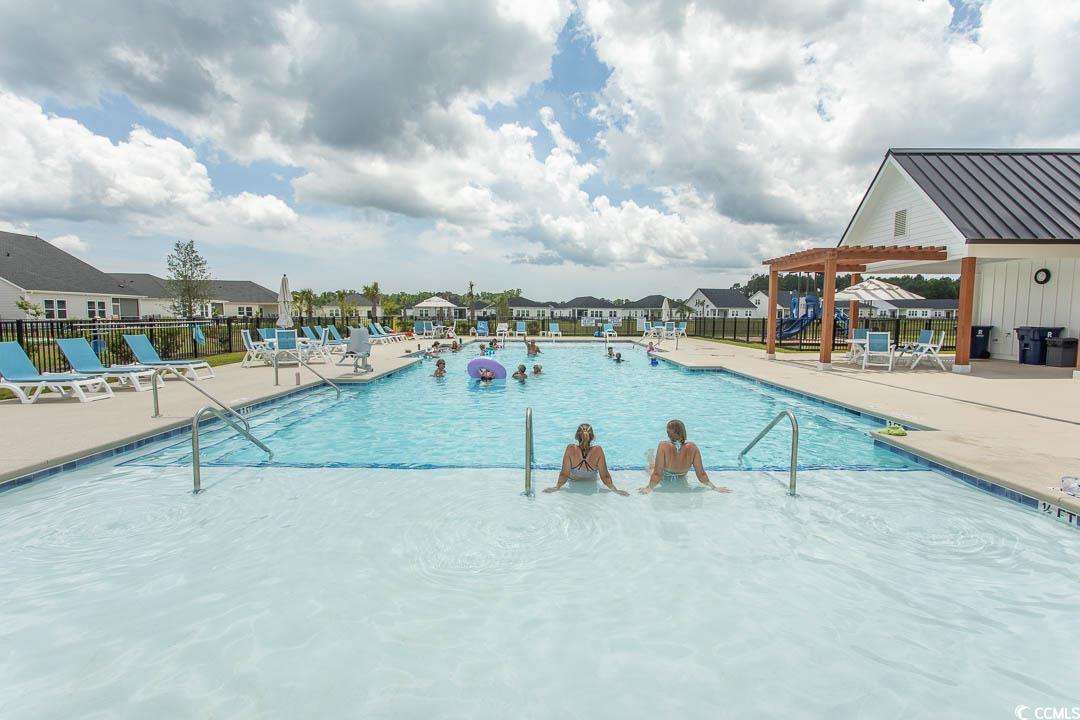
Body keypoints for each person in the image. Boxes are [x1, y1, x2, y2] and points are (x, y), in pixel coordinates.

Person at [639, 420, 731, 494]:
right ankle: (650, 457)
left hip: (665, 476)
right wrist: (714, 487)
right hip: (682, 475)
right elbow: (701, 473)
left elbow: (657, 473)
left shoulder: (663, 445)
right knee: (654, 467)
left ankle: (650, 457)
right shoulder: (693, 447)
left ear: (668, 433)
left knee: (651, 468)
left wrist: (649, 488)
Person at [544, 424, 629, 496]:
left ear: (576, 437)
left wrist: (556, 487)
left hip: (574, 482)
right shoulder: (598, 450)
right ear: (592, 437)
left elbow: (564, 474)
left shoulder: (571, 449)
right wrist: (615, 490)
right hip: (591, 481)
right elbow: (605, 476)